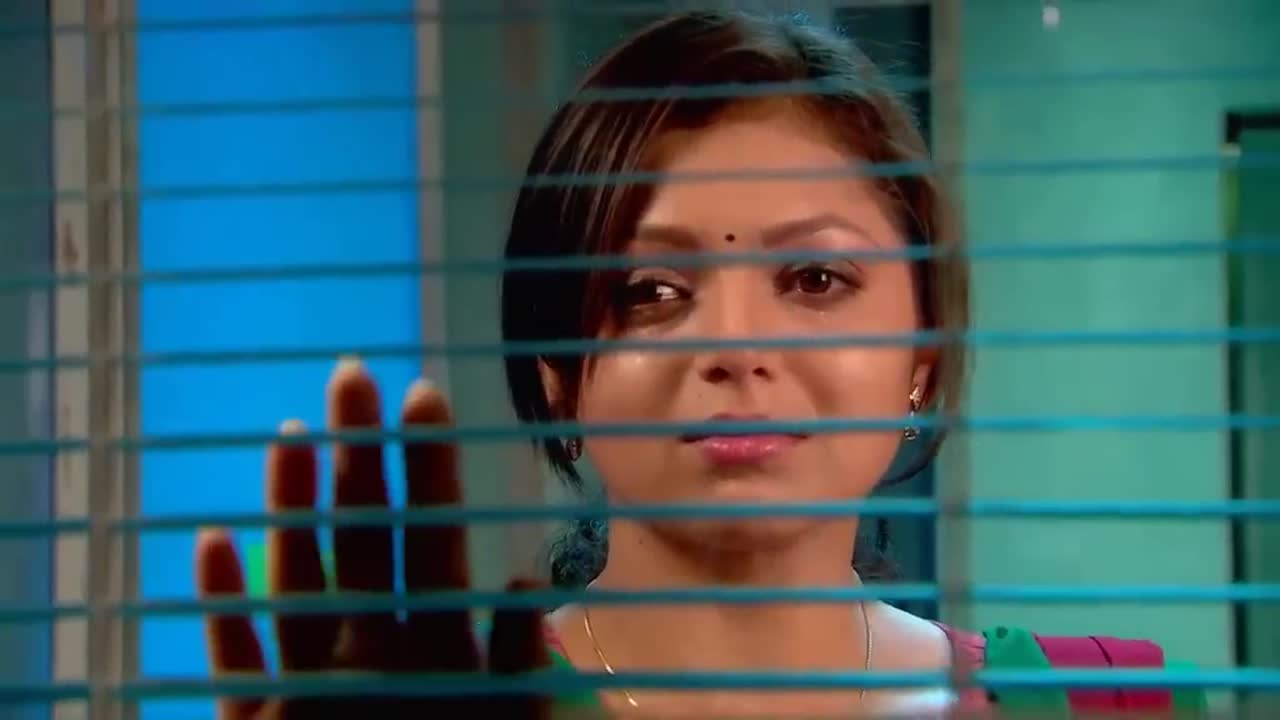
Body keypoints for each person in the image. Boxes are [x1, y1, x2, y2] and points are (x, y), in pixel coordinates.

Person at [196, 10, 1206, 719]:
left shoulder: (1110, 704)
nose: (735, 346)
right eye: (651, 291)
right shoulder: (460, 705)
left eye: (814, 277)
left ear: (923, 357)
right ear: (557, 373)